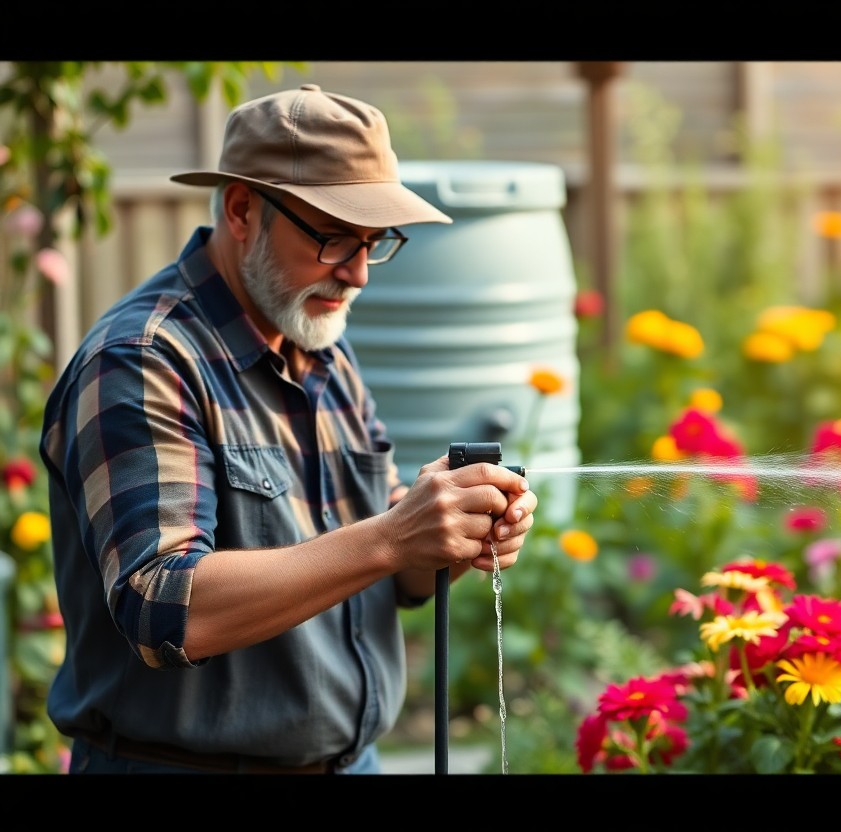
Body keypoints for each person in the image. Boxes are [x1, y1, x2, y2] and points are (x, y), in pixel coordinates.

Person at [39, 84, 537, 775]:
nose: (358, 272)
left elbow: (389, 570)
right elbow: (163, 605)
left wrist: (444, 534)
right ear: (242, 209)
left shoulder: (316, 339)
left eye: (374, 242)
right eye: (333, 236)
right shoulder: (143, 359)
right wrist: (394, 536)